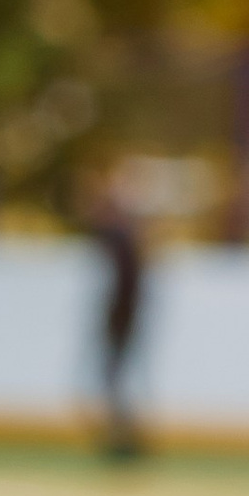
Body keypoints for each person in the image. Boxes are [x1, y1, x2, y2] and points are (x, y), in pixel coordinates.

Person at [84, 165, 151, 464]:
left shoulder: (120, 238)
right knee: (116, 382)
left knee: (116, 381)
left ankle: (124, 443)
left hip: (122, 319)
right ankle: (123, 441)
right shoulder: (126, 238)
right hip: (124, 318)